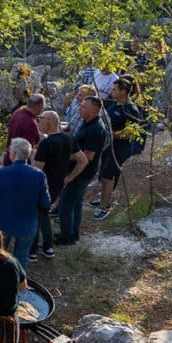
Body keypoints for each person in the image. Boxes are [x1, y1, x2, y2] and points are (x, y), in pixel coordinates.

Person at [0, 138, 50, 270]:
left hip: (4, 222)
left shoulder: (1, 173)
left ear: (14, 153)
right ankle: (18, 280)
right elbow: (46, 202)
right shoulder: (39, 175)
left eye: (10, 150)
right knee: (22, 255)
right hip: (28, 223)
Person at [31, 111, 83, 261]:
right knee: (44, 214)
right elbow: (83, 160)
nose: (38, 122)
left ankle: (32, 252)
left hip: (42, 187)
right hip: (57, 186)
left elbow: (36, 171)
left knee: (35, 216)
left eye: (40, 119)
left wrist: (32, 154)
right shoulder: (69, 138)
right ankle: (48, 248)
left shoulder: (46, 143)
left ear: (49, 121)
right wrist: (69, 178)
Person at [57, 97, 107, 245]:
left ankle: (66, 237)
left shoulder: (95, 129)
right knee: (76, 203)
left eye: (83, 107)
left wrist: (65, 158)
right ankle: (72, 234)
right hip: (81, 171)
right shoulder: (88, 123)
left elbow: (88, 156)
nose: (80, 109)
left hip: (81, 172)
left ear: (92, 111)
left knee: (65, 204)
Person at [94, 78, 143, 220]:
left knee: (108, 176)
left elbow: (130, 134)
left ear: (123, 92)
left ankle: (104, 207)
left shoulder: (131, 110)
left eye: (114, 89)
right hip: (107, 146)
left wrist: (110, 133)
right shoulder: (113, 104)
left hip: (119, 149)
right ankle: (104, 198)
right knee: (103, 174)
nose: (111, 91)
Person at [3, 94, 44, 166]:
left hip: (9, 156)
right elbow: (28, 148)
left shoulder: (17, 112)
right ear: (39, 106)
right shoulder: (30, 123)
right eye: (43, 107)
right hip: (19, 163)